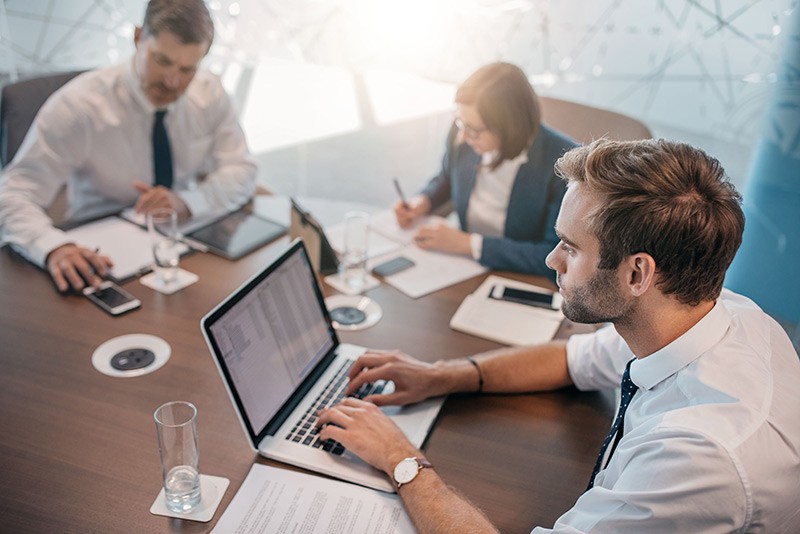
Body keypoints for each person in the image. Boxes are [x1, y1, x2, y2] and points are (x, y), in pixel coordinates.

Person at [319, 138, 800, 532]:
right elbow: (574, 361)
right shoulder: (713, 312)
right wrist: (439, 375)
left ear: (637, 274)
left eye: (570, 247)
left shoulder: (696, 458)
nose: (552, 260)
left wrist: (400, 459)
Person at [0, 0, 257, 293]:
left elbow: (243, 169)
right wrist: (53, 247)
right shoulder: (79, 106)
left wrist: (187, 202)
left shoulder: (208, 92)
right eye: (161, 61)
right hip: (101, 258)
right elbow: (13, 193)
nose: (172, 81)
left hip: (181, 247)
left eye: (187, 69)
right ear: (138, 38)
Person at [394, 62, 576, 278]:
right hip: (461, 267)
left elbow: (554, 256)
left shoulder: (566, 167)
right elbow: (447, 176)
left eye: (474, 130)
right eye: (461, 122)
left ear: (510, 126)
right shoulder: (462, 129)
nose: (462, 137)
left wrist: (468, 244)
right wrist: (424, 202)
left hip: (519, 278)